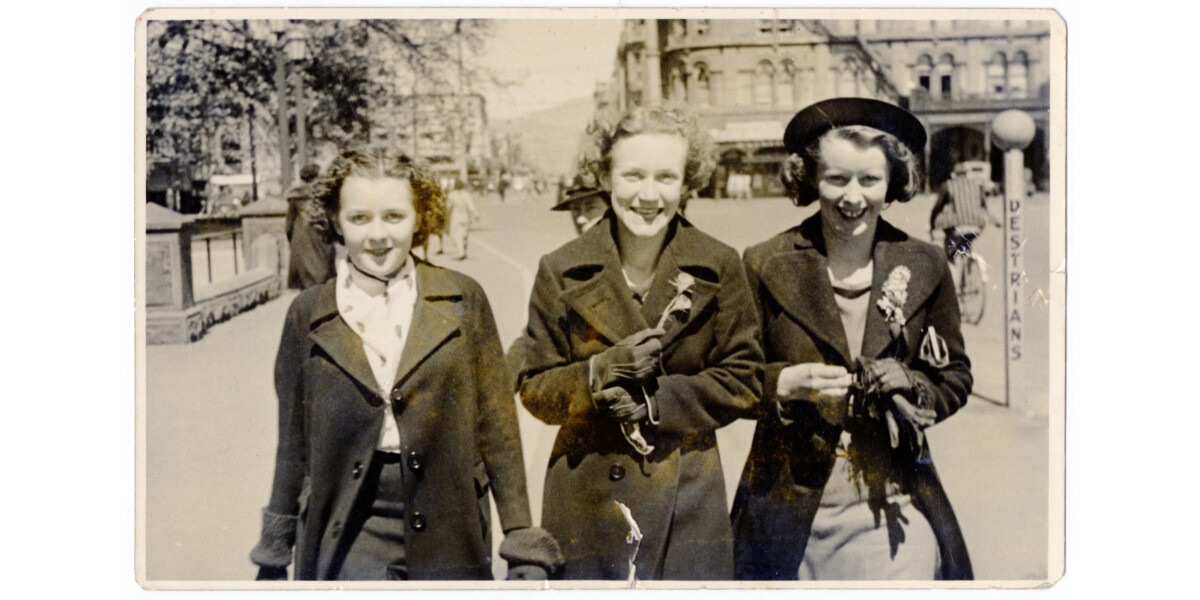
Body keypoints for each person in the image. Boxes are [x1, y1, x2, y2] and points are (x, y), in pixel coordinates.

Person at [250, 148, 562, 581]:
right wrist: (274, 552)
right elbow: (293, 440)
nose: (377, 235)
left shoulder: (463, 298)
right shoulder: (308, 313)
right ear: (336, 221)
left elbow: (498, 428)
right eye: (359, 219)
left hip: (451, 523)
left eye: (394, 217)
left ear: (420, 218)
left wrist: (522, 543)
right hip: (347, 525)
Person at [515, 106, 764, 580]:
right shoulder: (560, 268)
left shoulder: (720, 263)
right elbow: (534, 387)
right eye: (632, 175)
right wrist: (597, 374)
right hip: (587, 502)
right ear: (605, 176)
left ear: (688, 182)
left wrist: (655, 402)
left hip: (688, 500)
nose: (649, 195)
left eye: (666, 177)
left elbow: (745, 377)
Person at [730, 98, 974, 581]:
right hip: (787, 505)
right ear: (810, 180)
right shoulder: (764, 261)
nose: (853, 197)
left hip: (893, 502)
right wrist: (783, 384)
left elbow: (955, 375)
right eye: (837, 179)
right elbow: (729, 377)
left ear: (893, 183)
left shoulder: (925, 263)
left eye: (870, 180)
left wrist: (911, 385)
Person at [285, 164, 336, 289]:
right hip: (321, 237)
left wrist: (292, 241)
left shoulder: (295, 197)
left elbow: (289, 225)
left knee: (305, 280)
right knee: (324, 276)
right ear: (317, 176)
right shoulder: (324, 194)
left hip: (302, 238)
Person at [445, 179, 479, 260]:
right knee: (465, 235)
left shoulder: (451, 195)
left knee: (457, 235)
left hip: (456, 216)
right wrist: (475, 214)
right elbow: (471, 205)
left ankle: (461, 253)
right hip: (466, 216)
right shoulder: (466, 194)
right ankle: (464, 251)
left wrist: (446, 217)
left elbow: (448, 207)